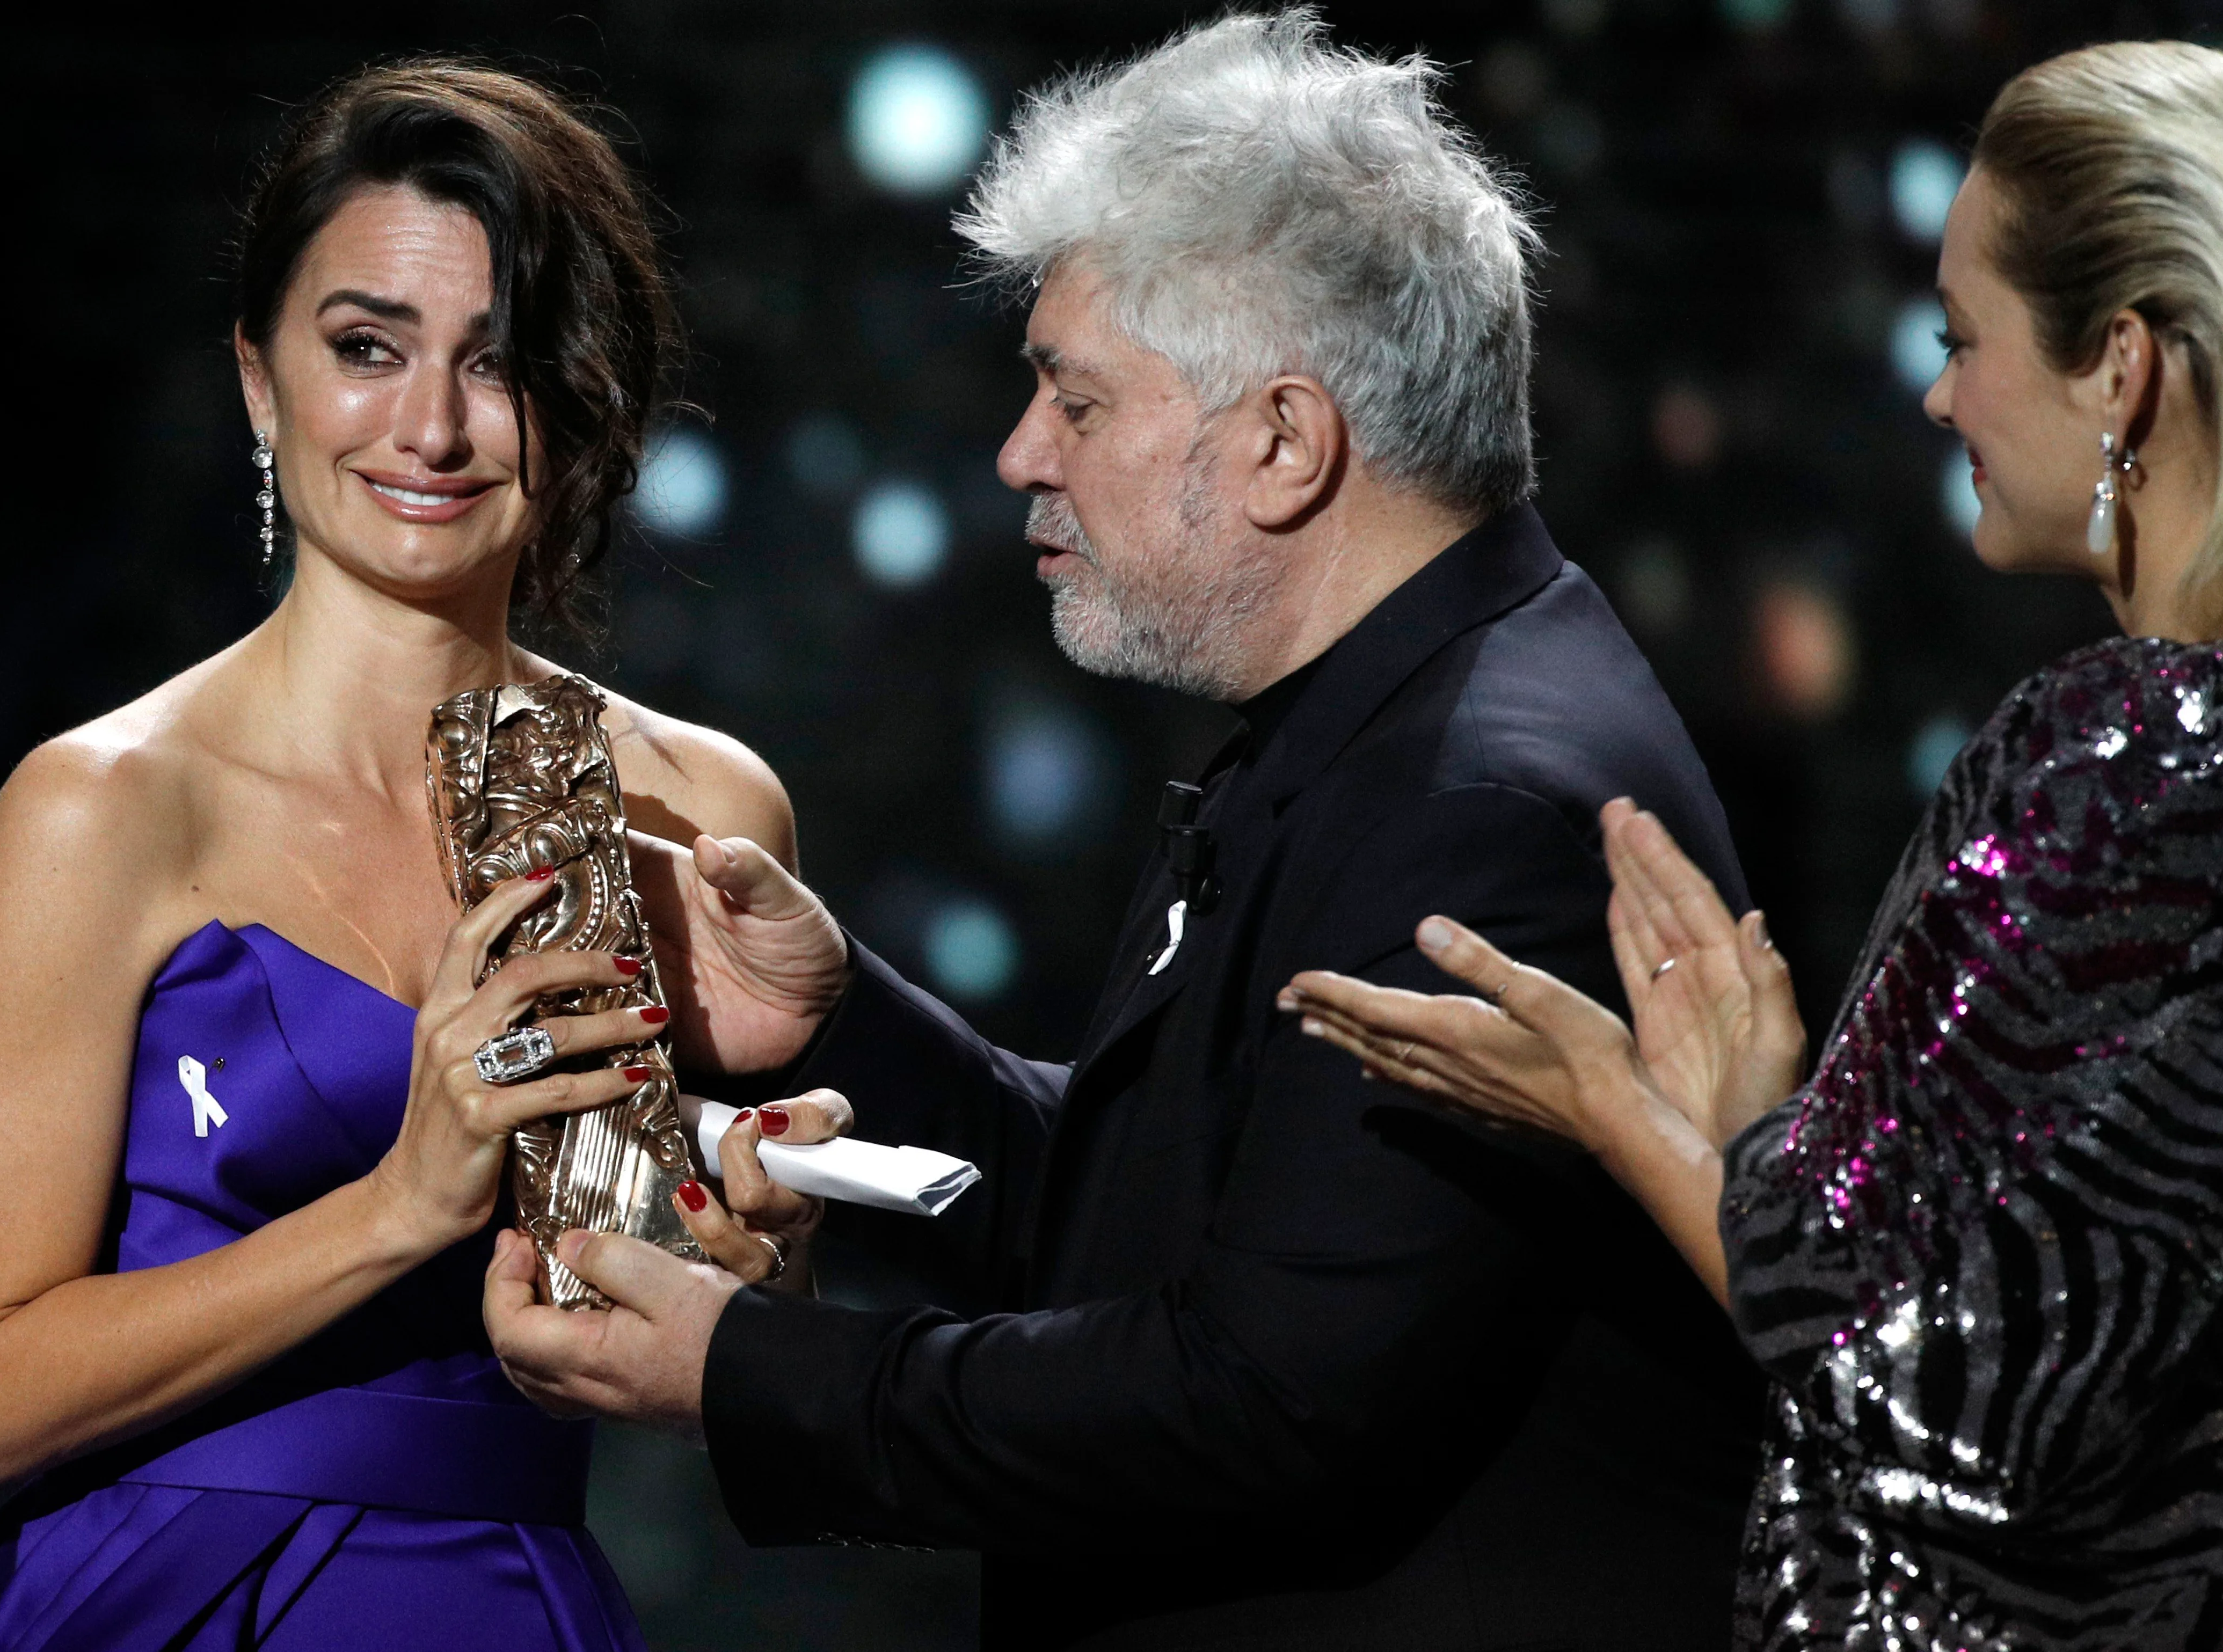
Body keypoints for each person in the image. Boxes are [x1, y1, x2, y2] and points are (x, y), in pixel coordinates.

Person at [485, 13, 1768, 1647]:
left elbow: (1260, 1403)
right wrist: (838, 1019)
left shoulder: (1479, 805)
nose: (1023, 454)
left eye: (1075, 402)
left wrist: (742, 1369)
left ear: (1284, 444)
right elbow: (1182, 1226)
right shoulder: (1389, 720)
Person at [1280, 40, 2223, 1650]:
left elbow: (1929, 1375)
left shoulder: (2139, 748)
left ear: (2122, 364)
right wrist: (1765, 1129)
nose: (1942, 389)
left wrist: (1612, 1105)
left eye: (1965, 337)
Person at [0, 63, 821, 1652]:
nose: (434, 427)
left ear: (577, 397)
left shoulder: (688, 801)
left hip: (500, 1599)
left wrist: (756, 1245)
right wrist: (400, 1202)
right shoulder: (105, 806)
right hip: (151, 1607)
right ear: (261, 383)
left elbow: (637, 1332)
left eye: (501, 362)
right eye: (367, 348)